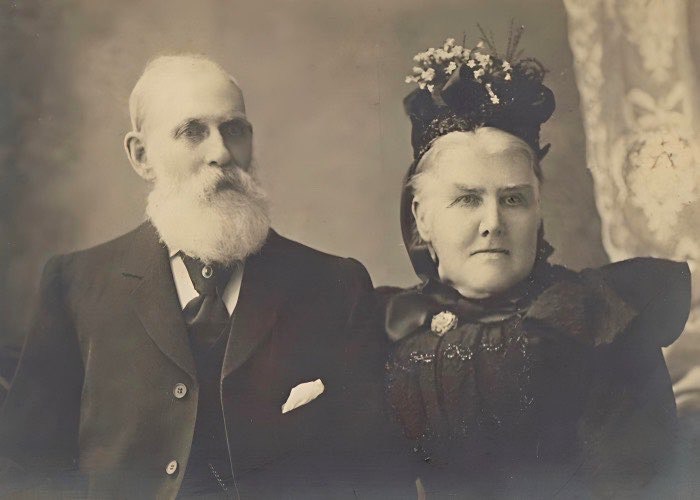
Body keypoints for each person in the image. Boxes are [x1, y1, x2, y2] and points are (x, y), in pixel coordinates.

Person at [0, 55, 384, 499]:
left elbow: (374, 476)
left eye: (234, 129)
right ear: (141, 156)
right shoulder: (74, 286)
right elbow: (27, 471)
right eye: (192, 131)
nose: (221, 153)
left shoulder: (336, 285)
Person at [381, 35, 691, 498]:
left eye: (513, 199)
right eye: (467, 199)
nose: (493, 223)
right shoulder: (393, 327)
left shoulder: (598, 320)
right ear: (422, 217)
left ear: (538, 211)